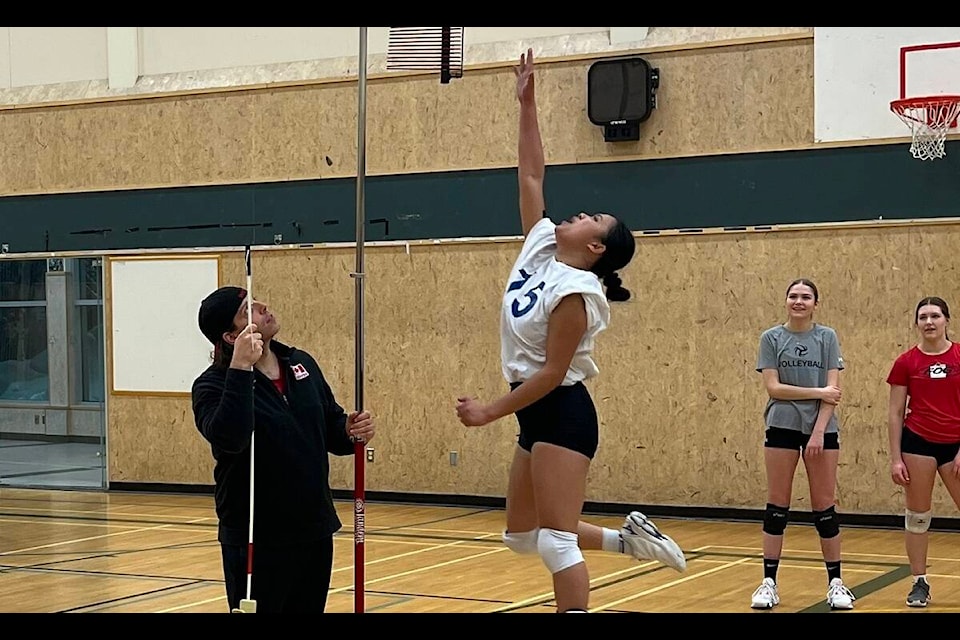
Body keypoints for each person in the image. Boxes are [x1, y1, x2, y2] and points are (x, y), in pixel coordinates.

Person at [454, 48, 686, 614]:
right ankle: (627, 541)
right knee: (520, 536)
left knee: (556, 543)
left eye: (590, 219)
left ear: (596, 246)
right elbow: (531, 171)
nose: (576, 215)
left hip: (561, 409)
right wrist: (526, 104)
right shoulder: (539, 247)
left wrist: (490, 410)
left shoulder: (577, 293)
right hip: (536, 410)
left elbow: (554, 373)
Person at [191, 285, 375, 613]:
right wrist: (239, 369)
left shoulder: (300, 363)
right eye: (248, 309)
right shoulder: (212, 385)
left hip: (313, 528)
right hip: (256, 538)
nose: (263, 306)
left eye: (257, 301)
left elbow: (331, 428)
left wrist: (350, 431)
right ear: (232, 337)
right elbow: (229, 438)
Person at [750, 278, 855, 610]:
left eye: (806, 297)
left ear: (815, 304)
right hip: (781, 425)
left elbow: (833, 392)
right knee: (777, 505)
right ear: (786, 301)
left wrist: (818, 431)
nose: (799, 301)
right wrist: (816, 392)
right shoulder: (771, 338)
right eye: (793, 296)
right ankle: (768, 582)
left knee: (824, 506)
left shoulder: (827, 337)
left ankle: (836, 583)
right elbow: (774, 389)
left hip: (821, 430)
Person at [886, 295, 960, 608]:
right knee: (918, 517)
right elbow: (894, 413)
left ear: (946, 320)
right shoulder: (906, 362)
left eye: (935, 316)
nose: (929, 322)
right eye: (923, 317)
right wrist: (895, 457)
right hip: (918, 443)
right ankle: (919, 582)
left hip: (956, 445)